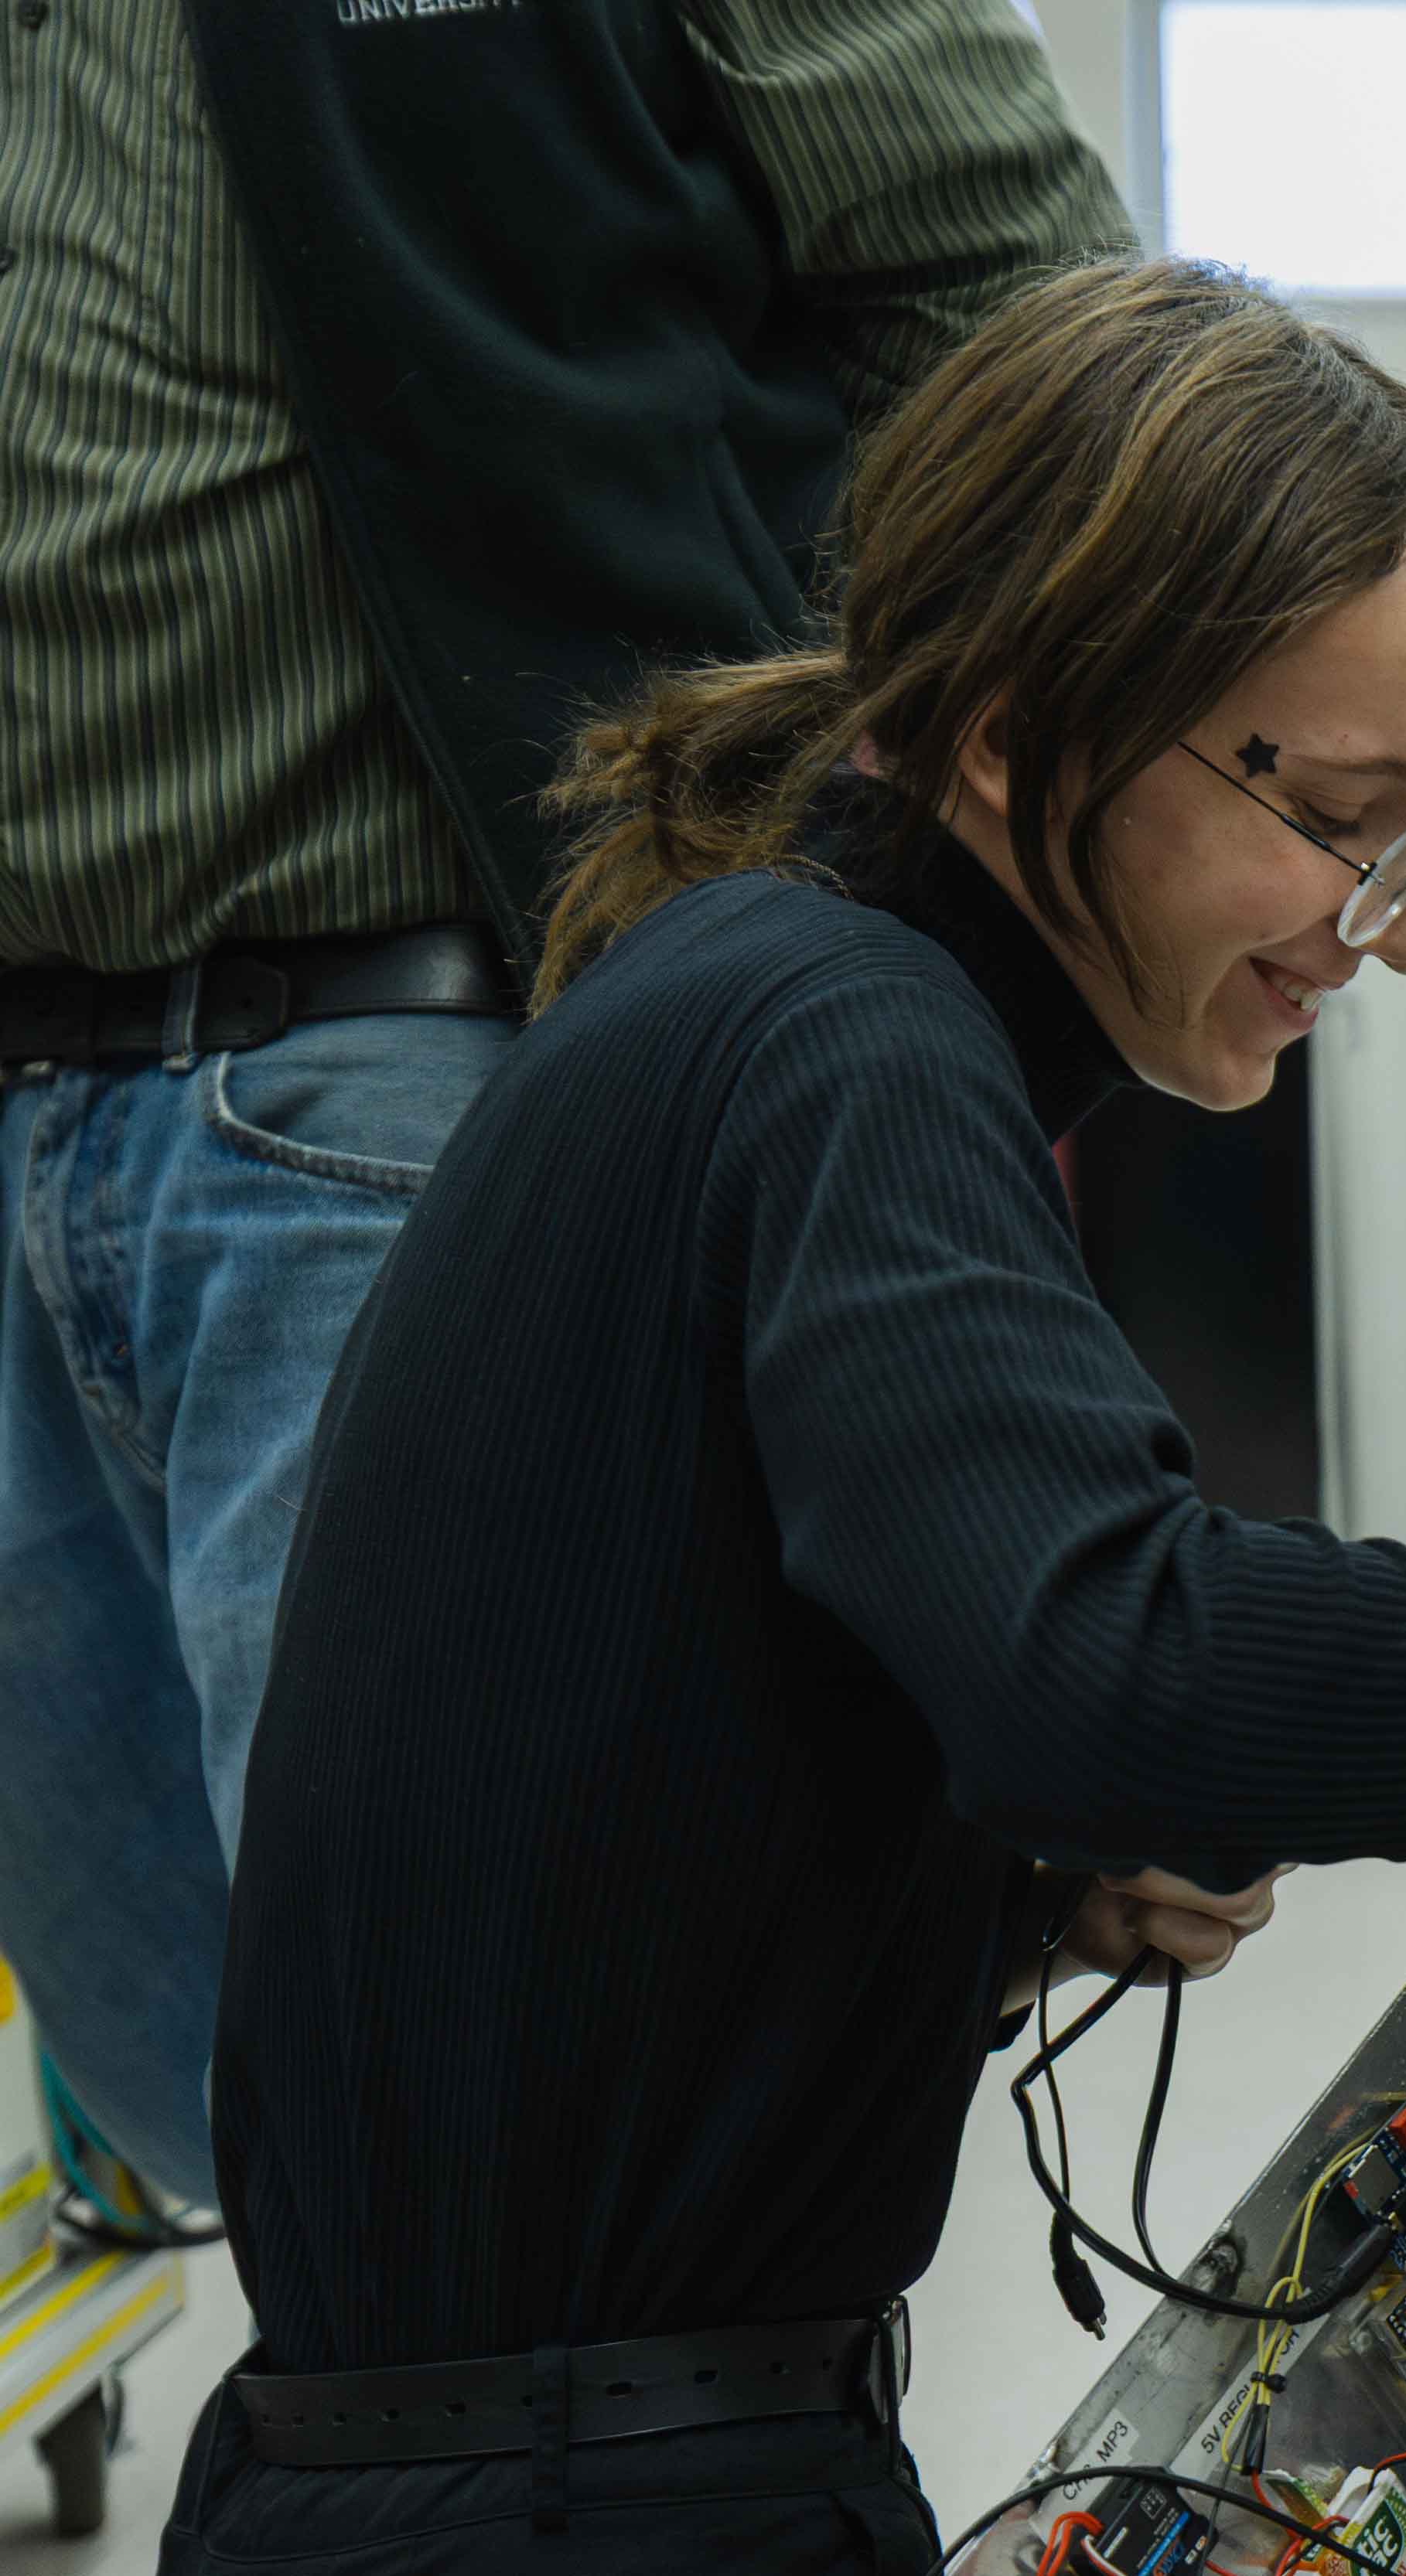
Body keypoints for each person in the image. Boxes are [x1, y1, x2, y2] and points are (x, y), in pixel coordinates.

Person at [159, 258, 1406, 2573]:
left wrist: (1005, 1890)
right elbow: (1110, 1662)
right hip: (595, 2504)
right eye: (1346, 815)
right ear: (1021, 725)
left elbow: (618, 1803)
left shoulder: (729, 998)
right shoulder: (846, 1037)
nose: (1399, 927)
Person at [0, 0, 1128, 2206]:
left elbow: (1039, 350)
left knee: (524, 2124)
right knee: (194, 2093)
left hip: (422, 1060)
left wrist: (792, 879)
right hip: (27, 1092)